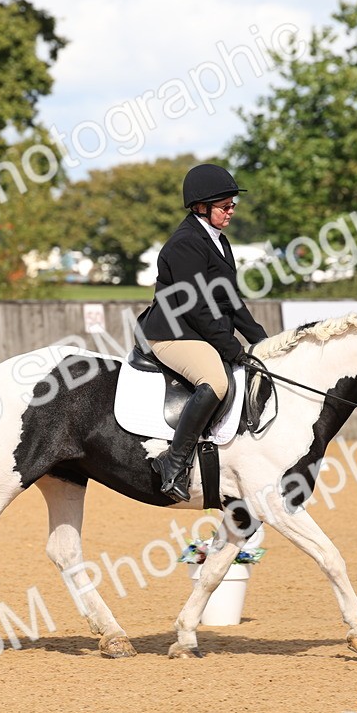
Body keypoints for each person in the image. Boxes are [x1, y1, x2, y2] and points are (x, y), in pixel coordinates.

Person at [135, 163, 269, 501]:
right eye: (224, 206)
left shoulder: (219, 241)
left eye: (232, 204)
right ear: (200, 207)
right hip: (172, 333)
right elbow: (196, 306)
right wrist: (230, 346)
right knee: (216, 381)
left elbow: (230, 299)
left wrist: (261, 340)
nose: (231, 210)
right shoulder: (185, 244)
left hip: (198, 331)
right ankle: (173, 461)